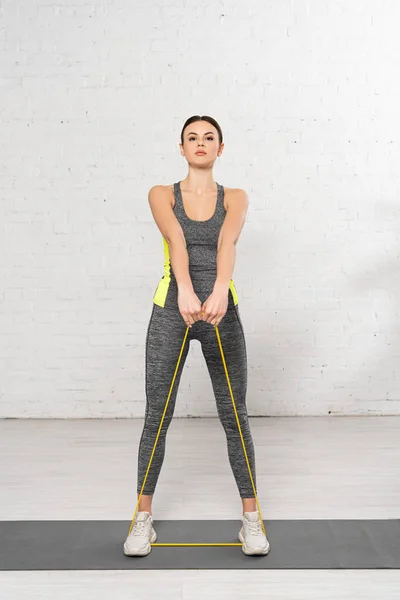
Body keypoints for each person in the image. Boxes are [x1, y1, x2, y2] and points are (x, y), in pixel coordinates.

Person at [123, 115, 270, 557]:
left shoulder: (236, 197)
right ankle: (142, 520)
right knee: (158, 415)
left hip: (221, 309)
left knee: (233, 414)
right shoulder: (161, 194)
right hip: (173, 306)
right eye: (193, 138)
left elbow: (227, 243)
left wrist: (220, 289)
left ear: (220, 148)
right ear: (181, 147)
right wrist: (186, 290)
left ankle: (251, 520)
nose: (200, 143)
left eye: (209, 138)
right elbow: (176, 240)